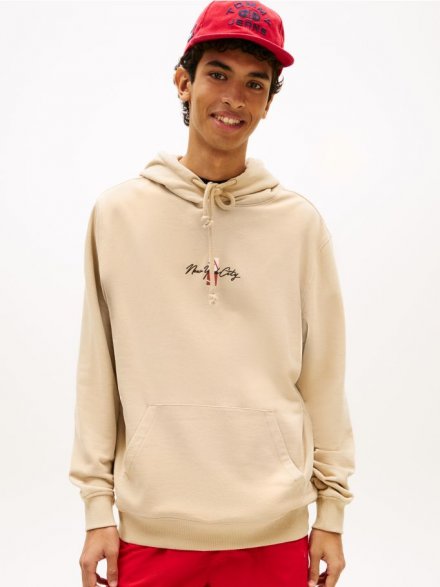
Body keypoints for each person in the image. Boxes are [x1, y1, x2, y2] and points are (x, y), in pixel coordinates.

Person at [68, 2, 356, 586]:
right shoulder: (118, 215)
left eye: (255, 84)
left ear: (269, 102)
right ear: (184, 82)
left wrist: (331, 512)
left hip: (274, 530)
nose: (235, 98)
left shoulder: (298, 225)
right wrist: (98, 509)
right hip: (151, 530)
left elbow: (324, 376)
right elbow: (97, 370)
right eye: (218, 74)